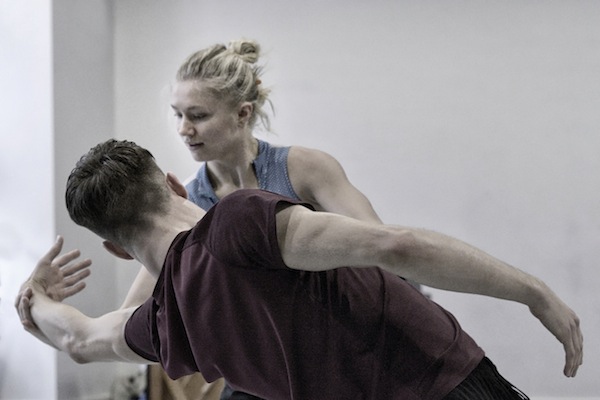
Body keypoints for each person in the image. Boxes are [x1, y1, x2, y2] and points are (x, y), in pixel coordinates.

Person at [18, 139, 582, 400]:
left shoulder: (163, 323)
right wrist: (533, 292)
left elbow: (82, 339)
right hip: (441, 387)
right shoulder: (237, 220)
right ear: (170, 183)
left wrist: (35, 301)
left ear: (116, 250)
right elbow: (397, 246)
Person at [21, 38, 423, 400]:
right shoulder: (186, 202)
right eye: (177, 114)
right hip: (263, 374)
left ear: (242, 113)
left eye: (197, 115)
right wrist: (38, 304)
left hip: (349, 350)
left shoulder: (304, 169)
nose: (183, 129)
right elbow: (131, 317)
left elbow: (384, 250)